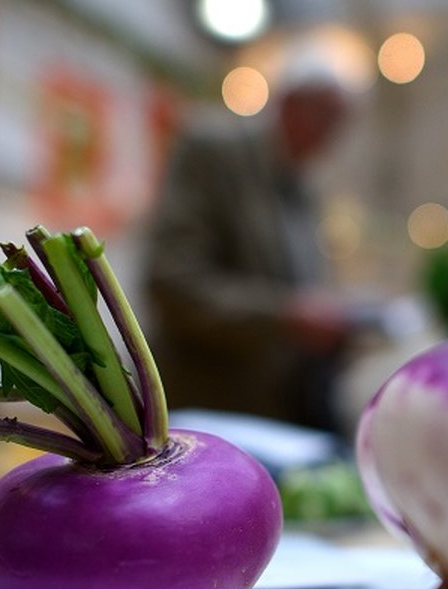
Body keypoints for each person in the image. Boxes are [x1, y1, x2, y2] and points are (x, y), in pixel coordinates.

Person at [144, 61, 358, 432]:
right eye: (323, 117)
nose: (330, 137)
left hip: (271, 412)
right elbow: (172, 281)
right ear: (289, 103)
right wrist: (285, 315)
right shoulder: (214, 151)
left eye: (339, 124)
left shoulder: (301, 187)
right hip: (205, 414)